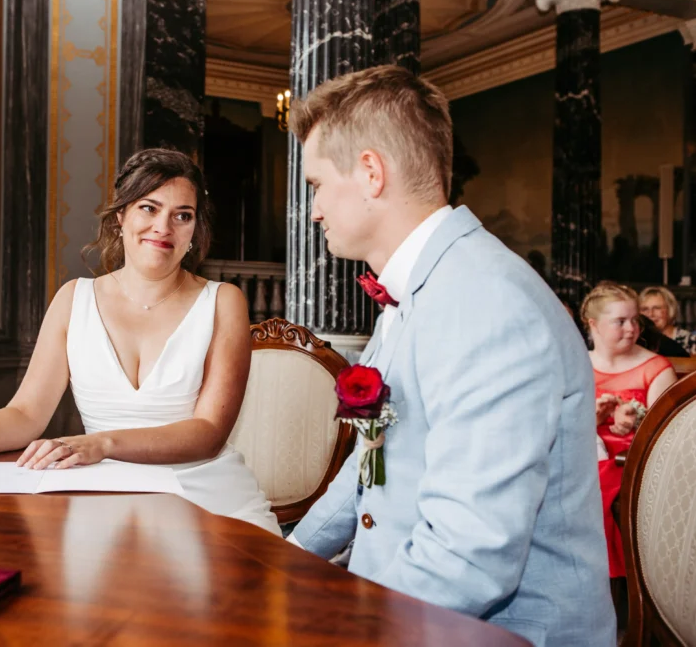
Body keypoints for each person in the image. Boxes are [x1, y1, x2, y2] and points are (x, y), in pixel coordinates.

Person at [285, 66, 615, 646]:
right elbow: (370, 469)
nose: (312, 210)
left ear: (370, 173)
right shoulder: (416, 294)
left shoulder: (486, 303)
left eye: (315, 184)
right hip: (402, 607)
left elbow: (470, 558)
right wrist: (284, 563)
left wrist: (337, 628)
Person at [0, 148, 280, 535]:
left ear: (195, 231)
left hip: (207, 496)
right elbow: (26, 414)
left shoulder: (223, 301)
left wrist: (102, 443)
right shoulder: (74, 298)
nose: (164, 226)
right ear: (120, 217)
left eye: (183, 216)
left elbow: (209, 433)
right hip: (103, 495)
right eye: (149, 207)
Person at [584, 282, 676, 578]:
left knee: (598, 483)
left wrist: (637, 421)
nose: (631, 329)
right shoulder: (578, 365)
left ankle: (619, 581)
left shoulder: (655, 367)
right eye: (620, 322)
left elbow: (669, 432)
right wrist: (593, 420)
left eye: (635, 320)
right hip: (585, 455)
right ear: (593, 324)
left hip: (635, 460)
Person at [639, 285, 696, 355]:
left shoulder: (691, 340)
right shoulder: (638, 342)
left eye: (657, 308)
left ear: (670, 310)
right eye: (645, 309)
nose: (650, 314)